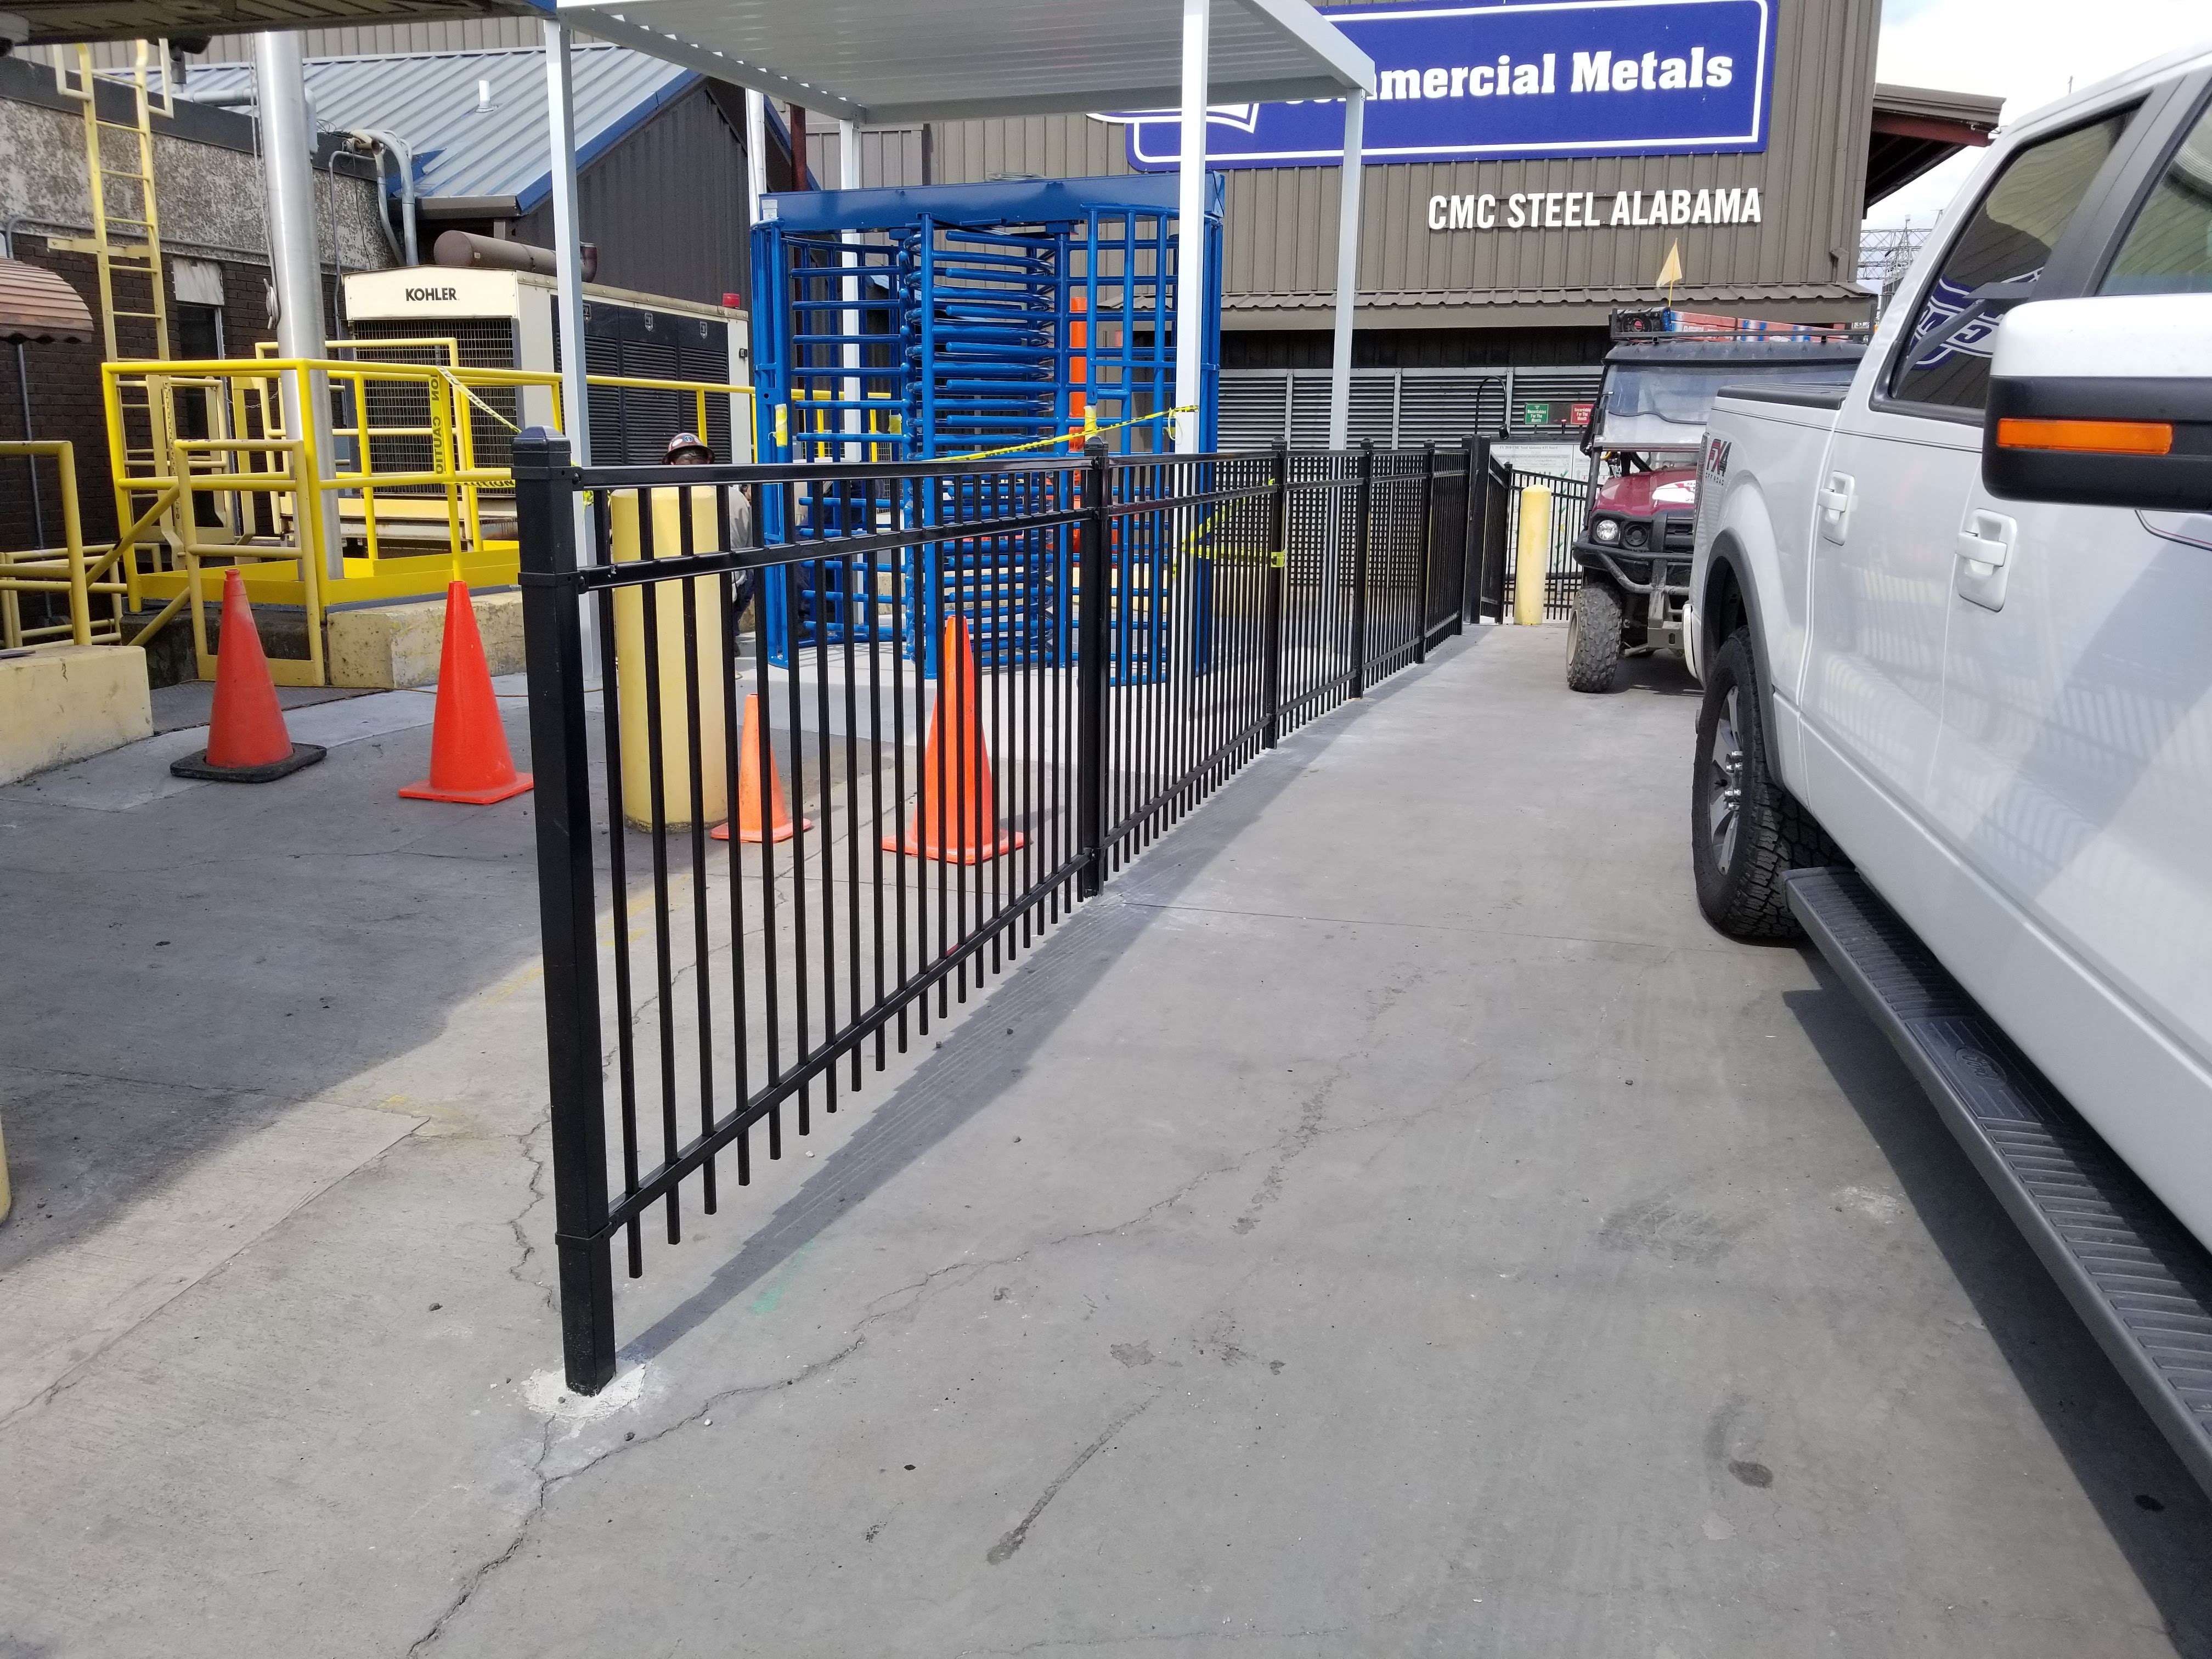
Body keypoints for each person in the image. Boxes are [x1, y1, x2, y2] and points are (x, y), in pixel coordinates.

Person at [665, 431, 757, 619]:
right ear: (707, 462)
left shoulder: (663, 500)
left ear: (672, 465)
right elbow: (751, 546)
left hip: (684, 592)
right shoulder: (734, 496)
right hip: (734, 588)